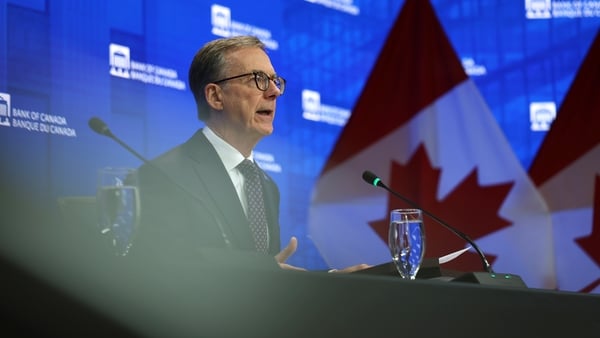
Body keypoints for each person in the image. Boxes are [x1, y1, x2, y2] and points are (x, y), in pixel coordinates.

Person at [130, 35, 367, 273]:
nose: (274, 92)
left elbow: (267, 286)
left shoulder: (266, 186)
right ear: (215, 96)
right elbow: (164, 267)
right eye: (258, 79)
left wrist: (329, 284)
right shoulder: (166, 175)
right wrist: (263, 270)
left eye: (275, 80)